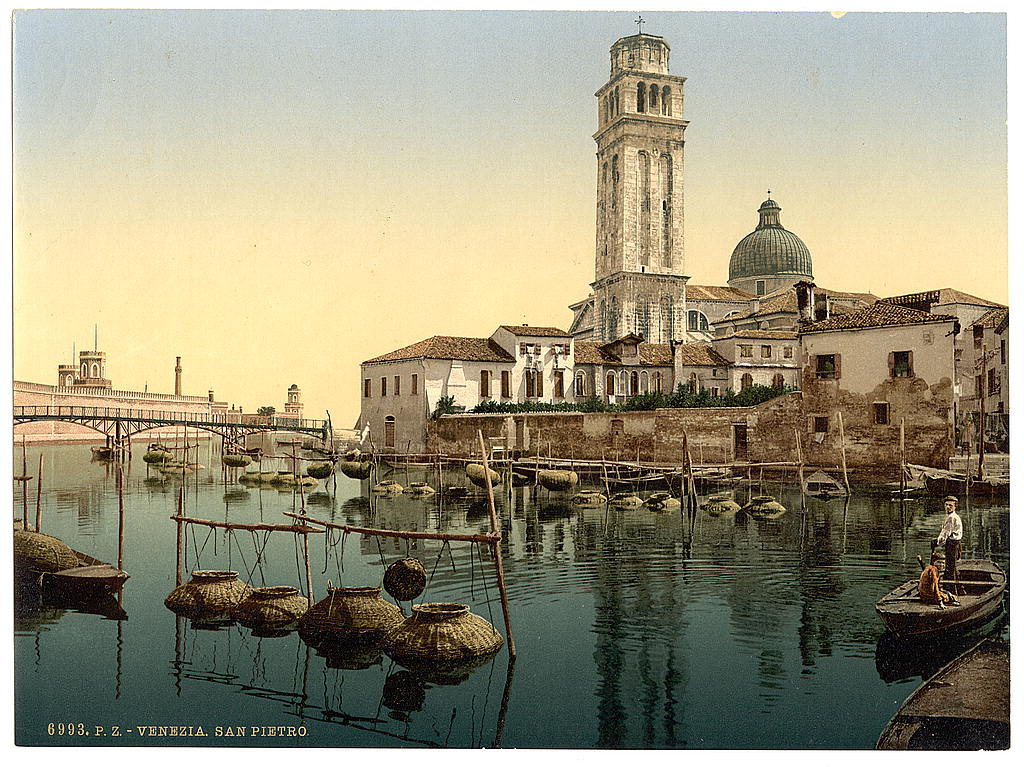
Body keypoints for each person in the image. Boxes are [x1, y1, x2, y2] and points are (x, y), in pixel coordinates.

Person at [934, 495, 963, 586]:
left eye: (950, 505)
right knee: (951, 565)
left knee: (950, 566)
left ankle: (950, 587)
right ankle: (952, 584)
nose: (948, 507)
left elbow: (945, 533)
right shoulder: (949, 516)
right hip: (952, 543)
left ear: (955, 506)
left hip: (953, 544)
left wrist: (937, 542)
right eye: (946, 505)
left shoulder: (952, 517)